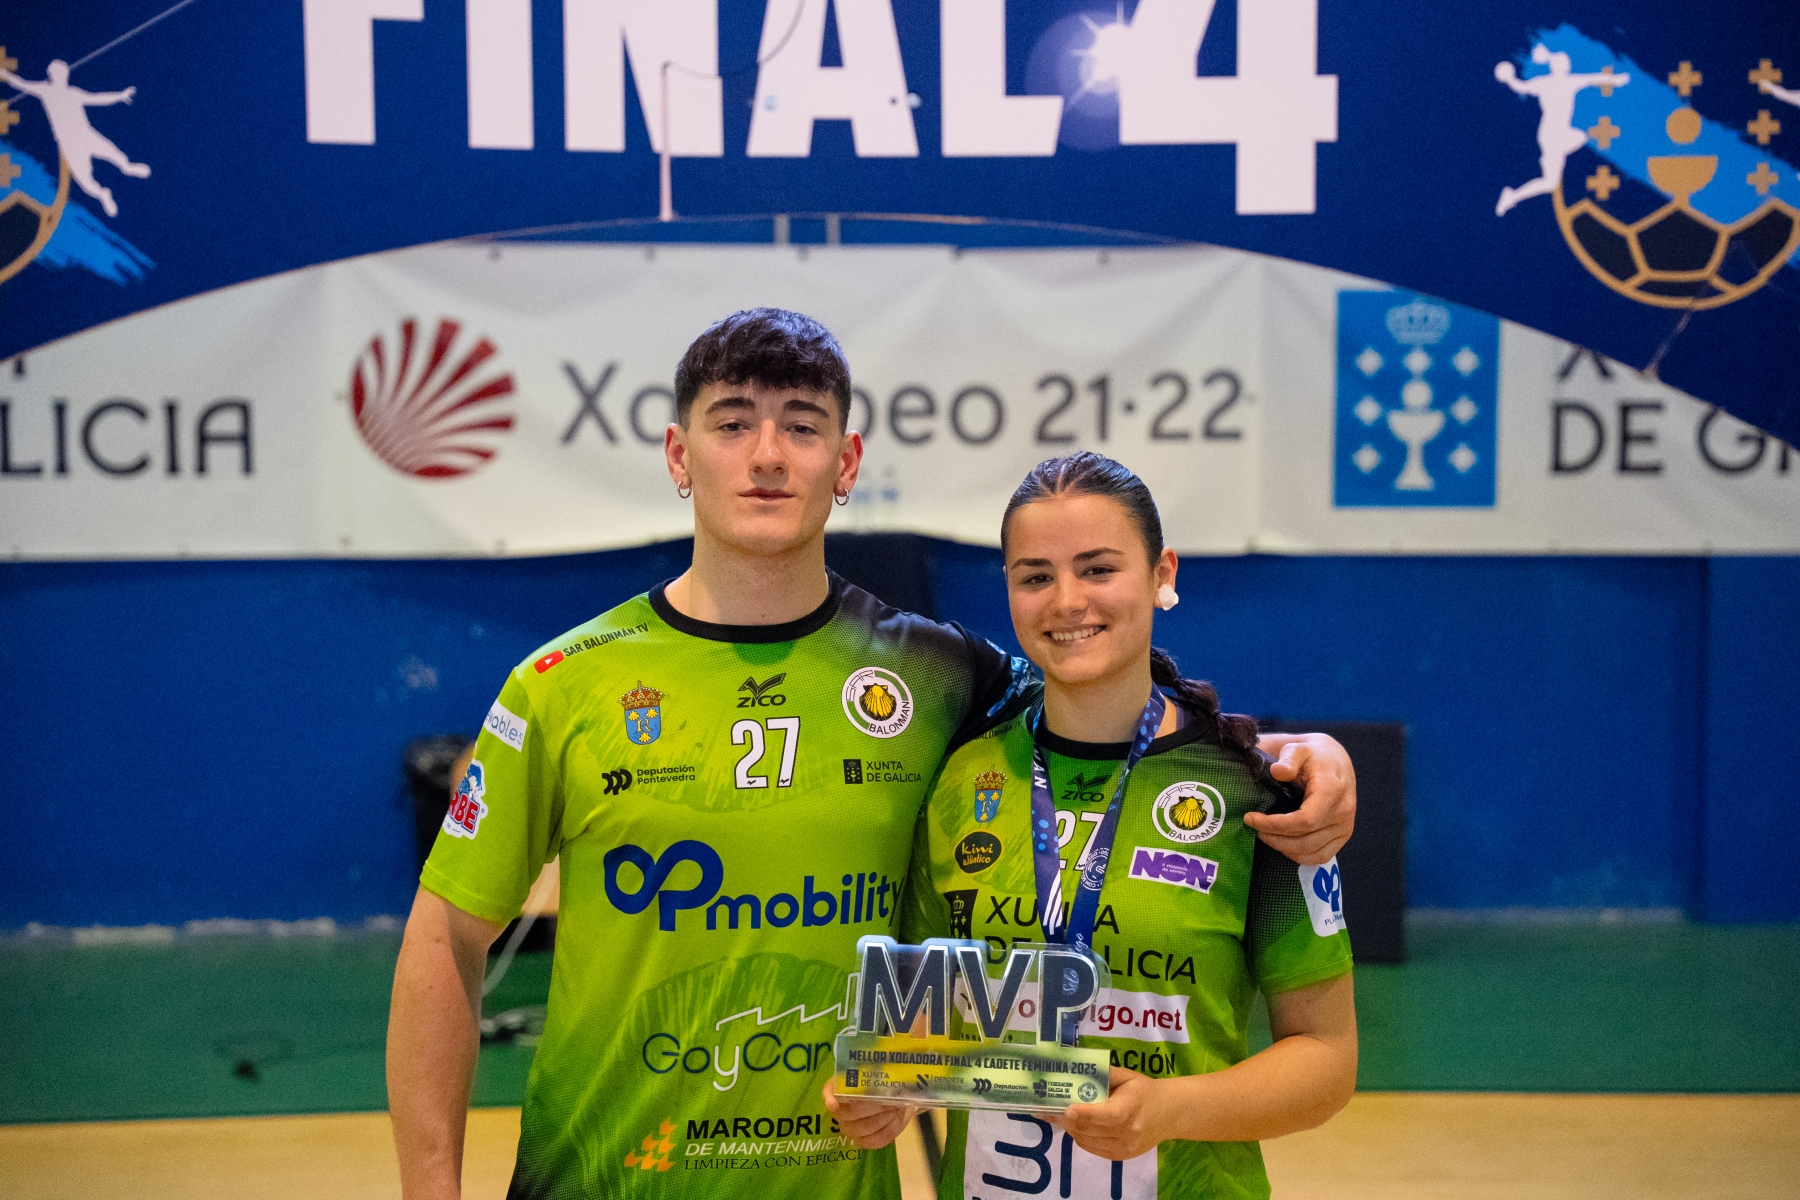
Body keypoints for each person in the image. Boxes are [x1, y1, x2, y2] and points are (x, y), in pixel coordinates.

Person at [387, 311, 1357, 1199]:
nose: (768, 454)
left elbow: (1113, 709)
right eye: (732, 423)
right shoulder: (562, 684)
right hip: (601, 1180)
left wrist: (1293, 756)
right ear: (679, 454)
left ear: (846, 461)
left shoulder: (936, 673)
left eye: (803, 426)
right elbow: (444, 940)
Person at [839, 452, 1357, 1199]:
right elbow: (921, 1020)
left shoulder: (1258, 795)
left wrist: (1171, 1109)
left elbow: (1327, 1061)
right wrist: (889, 1088)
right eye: (1036, 577)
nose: (1067, 601)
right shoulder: (958, 778)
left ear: (1161, 574)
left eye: (1099, 569)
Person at [0, 59, 150, 218]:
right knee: (85, 181)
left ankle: (128, 167)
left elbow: (97, 98)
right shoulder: (45, 90)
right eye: (58, 73)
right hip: (69, 143)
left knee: (112, 153)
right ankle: (102, 194)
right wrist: (5, 74)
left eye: (64, 73)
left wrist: (120, 96)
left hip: (85, 134)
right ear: (51, 75)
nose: (62, 76)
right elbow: (22, 84)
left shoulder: (73, 92)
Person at [1494, 45, 1629, 217]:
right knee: (1555, 174)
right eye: (1565, 63)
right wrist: (1509, 79)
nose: (1567, 66)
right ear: (1558, 67)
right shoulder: (1550, 82)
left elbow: (1595, 78)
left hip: (1557, 133)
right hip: (1552, 133)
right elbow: (1521, 87)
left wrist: (1616, 80)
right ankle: (1517, 191)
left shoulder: (1562, 81)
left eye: (1567, 64)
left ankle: (1515, 193)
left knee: (1557, 172)